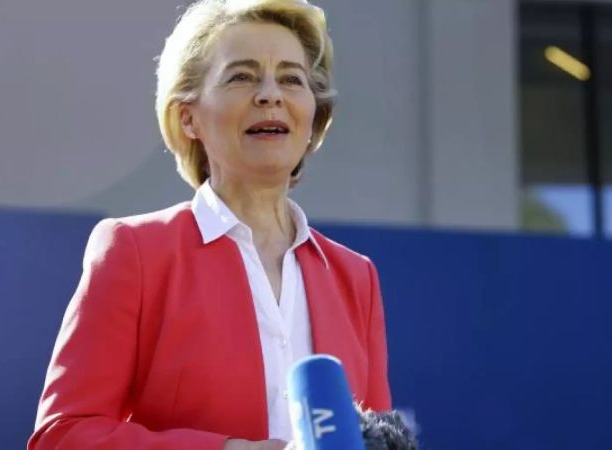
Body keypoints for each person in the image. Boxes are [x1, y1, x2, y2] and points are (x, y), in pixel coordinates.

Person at [28, 1, 391, 449]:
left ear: (314, 116)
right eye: (241, 76)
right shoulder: (135, 252)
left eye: (291, 79)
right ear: (189, 117)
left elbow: (376, 435)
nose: (270, 94)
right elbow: (63, 436)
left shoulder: (356, 278)